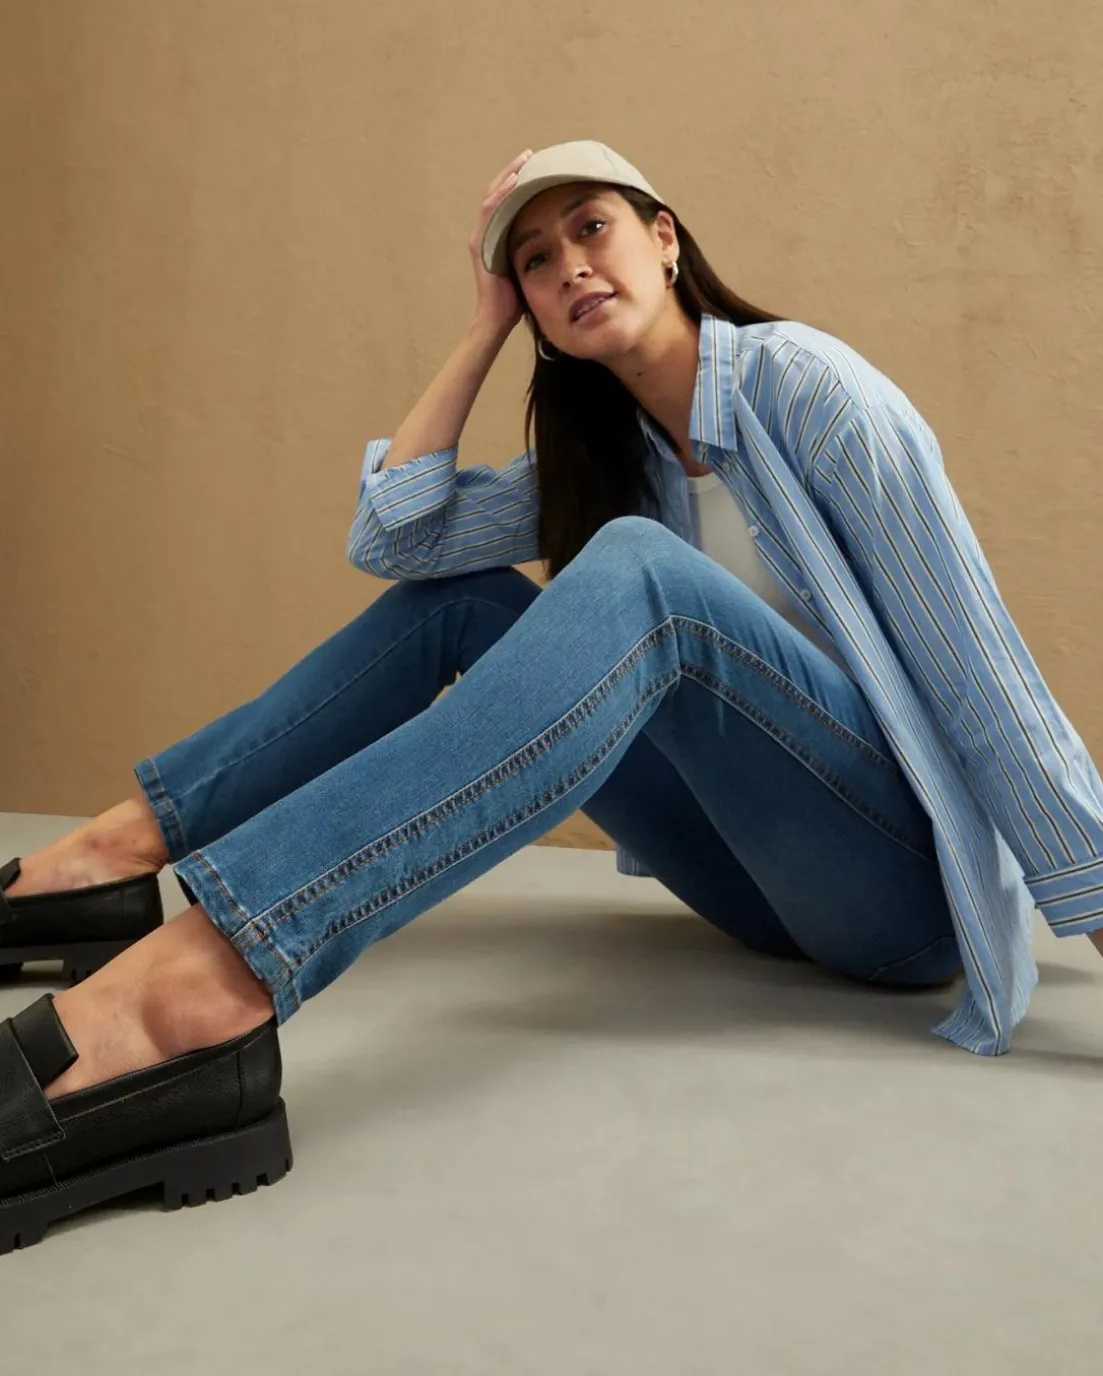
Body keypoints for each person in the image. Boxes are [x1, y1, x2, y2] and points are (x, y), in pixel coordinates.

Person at [3, 139, 1103, 1254]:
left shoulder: (810, 392)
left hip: (900, 896)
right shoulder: (609, 451)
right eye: (534, 260)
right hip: (755, 886)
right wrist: (484, 326)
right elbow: (395, 538)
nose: (568, 264)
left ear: (664, 240)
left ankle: (208, 982)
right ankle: (112, 859)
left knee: (638, 571)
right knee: (461, 599)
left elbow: (986, 685)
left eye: (591, 227)